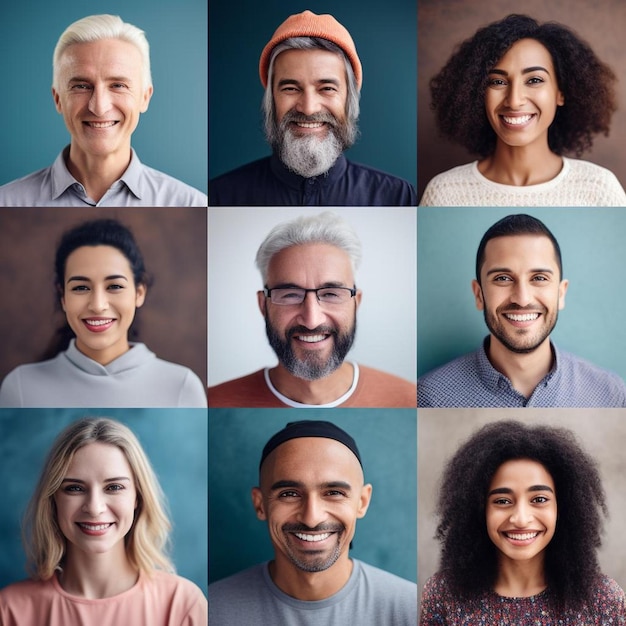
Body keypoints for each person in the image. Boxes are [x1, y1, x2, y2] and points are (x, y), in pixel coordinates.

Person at [0, 417, 207, 625]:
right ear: (53, 499)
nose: (94, 508)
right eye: (74, 488)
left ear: (138, 497)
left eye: (114, 487)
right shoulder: (9, 609)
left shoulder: (182, 604)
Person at [209, 420, 418, 625]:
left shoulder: (412, 609)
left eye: (334, 493)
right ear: (260, 504)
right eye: (289, 494)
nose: (311, 518)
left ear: (362, 502)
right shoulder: (211, 611)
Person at [419, 419, 626, 624]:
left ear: (563, 508)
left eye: (539, 499)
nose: (520, 519)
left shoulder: (603, 600)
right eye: (502, 501)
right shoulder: (443, 596)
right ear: (479, 510)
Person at [208, 211, 416, 407]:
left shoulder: (408, 399)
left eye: (331, 294)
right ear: (263, 304)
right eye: (290, 295)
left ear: (356, 302)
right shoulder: (212, 402)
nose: (312, 320)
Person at [209, 10, 416, 206]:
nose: (308, 108)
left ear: (349, 99)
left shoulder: (398, 197)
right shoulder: (220, 196)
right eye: (290, 88)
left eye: (326, 88)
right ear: (271, 98)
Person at [418, 213, 626, 407]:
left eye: (539, 278)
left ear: (561, 293)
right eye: (503, 279)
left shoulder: (612, 394)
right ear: (479, 294)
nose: (522, 299)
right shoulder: (428, 396)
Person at [0, 14, 207, 207]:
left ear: (145, 97)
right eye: (81, 86)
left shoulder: (191, 203)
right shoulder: (7, 202)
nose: (99, 107)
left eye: (118, 85)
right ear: (58, 99)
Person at [419, 14, 626, 206]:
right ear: (477, 92)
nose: (514, 100)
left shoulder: (600, 188)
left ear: (561, 93)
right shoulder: (445, 193)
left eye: (534, 80)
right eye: (498, 81)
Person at [0, 218, 207, 407]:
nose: (98, 305)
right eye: (81, 288)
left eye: (114, 286)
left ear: (139, 292)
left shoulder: (182, 387)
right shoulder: (21, 388)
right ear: (63, 296)